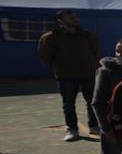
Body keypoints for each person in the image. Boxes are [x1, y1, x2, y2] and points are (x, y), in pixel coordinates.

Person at [38, 9, 102, 141]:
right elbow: (45, 56)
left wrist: (93, 67)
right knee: (68, 104)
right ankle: (72, 129)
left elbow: (96, 52)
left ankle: (94, 126)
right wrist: (59, 69)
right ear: (61, 21)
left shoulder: (86, 35)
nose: (75, 20)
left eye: (75, 17)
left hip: (88, 75)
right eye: (71, 18)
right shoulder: (51, 37)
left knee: (93, 102)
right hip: (66, 76)